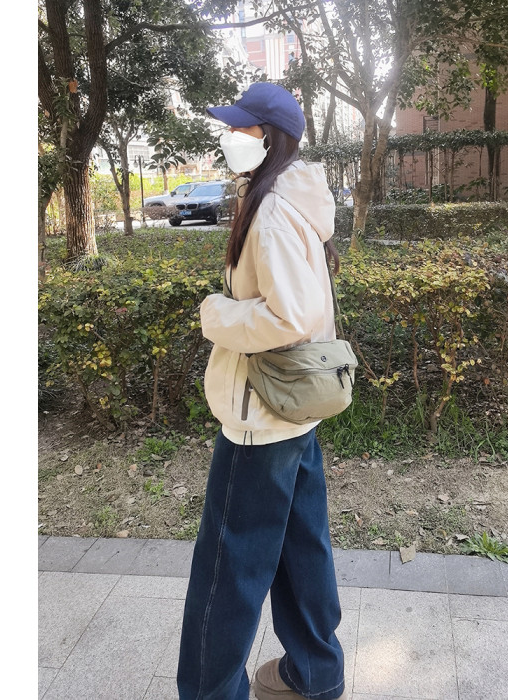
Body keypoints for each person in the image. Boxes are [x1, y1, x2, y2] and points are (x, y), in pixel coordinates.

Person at [176, 82, 347, 700]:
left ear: (269, 138)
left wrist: (216, 313)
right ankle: (315, 672)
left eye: (241, 128)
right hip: (294, 407)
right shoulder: (295, 199)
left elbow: (289, 316)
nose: (230, 138)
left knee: (226, 571)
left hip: (260, 415)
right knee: (303, 548)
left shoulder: (272, 210)